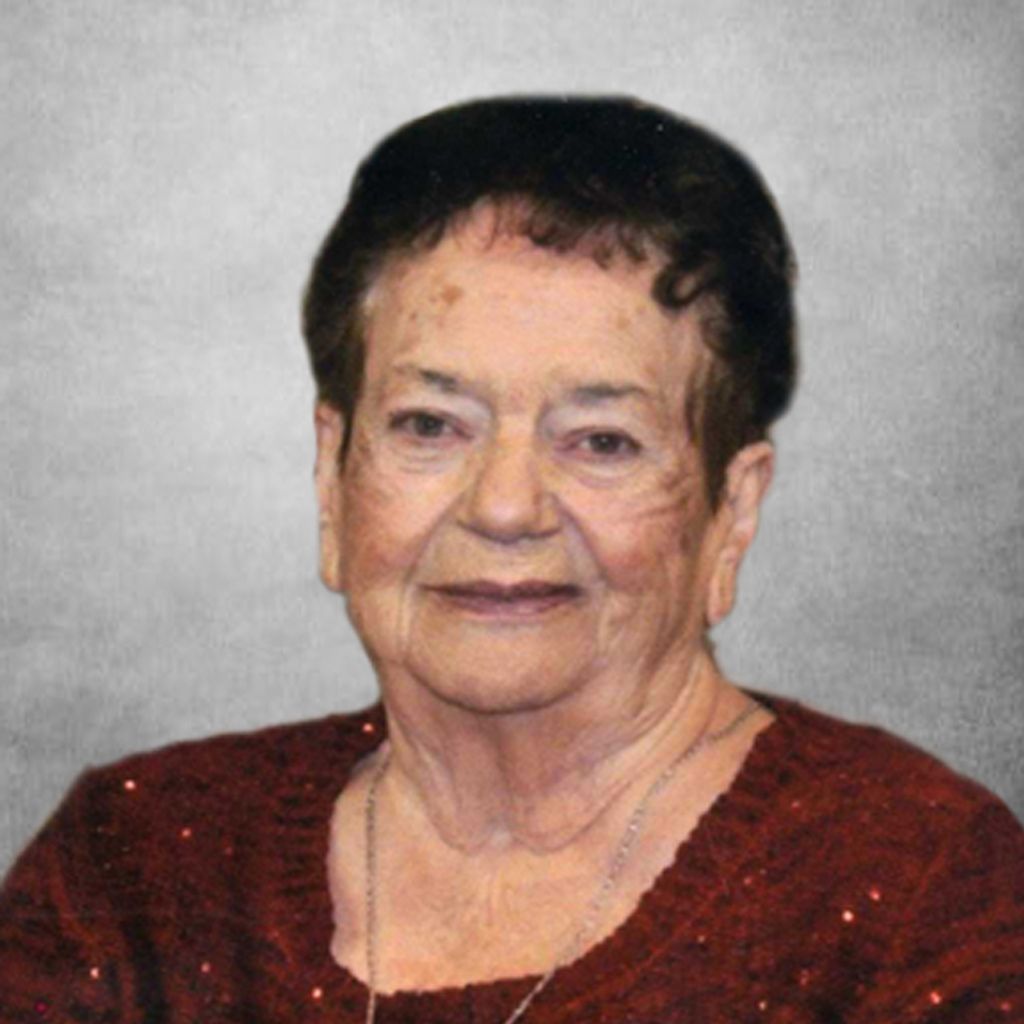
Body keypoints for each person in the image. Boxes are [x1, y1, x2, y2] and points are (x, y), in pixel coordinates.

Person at [1, 95, 1022, 1023]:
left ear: (730, 511)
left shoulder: (919, 892)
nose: (502, 507)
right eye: (430, 425)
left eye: (602, 441)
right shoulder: (131, 870)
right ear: (332, 476)